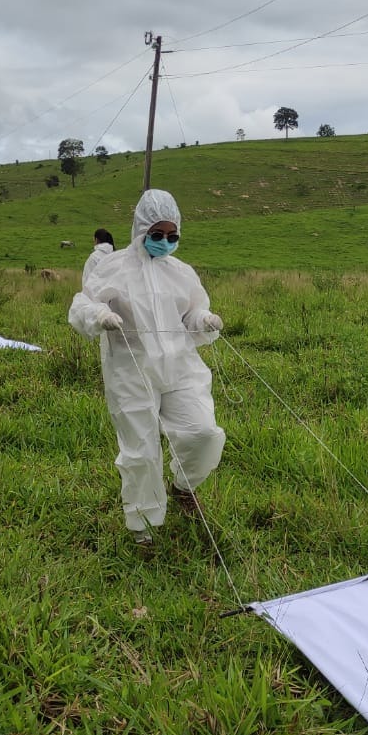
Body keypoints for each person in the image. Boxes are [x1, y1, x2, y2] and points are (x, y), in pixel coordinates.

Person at [69, 189, 225, 545]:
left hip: (180, 366)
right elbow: (82, 304)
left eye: (172, 236)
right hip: (131, 368)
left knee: (203, 432)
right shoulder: (113, 267)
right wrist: (101, 314)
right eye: (157, 235)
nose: (165, 242)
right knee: (141, 449)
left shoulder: (182, 272)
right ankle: (143, 527)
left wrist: (206, 318)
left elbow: (191, 312)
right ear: (141, 229)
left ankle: (183, 487)